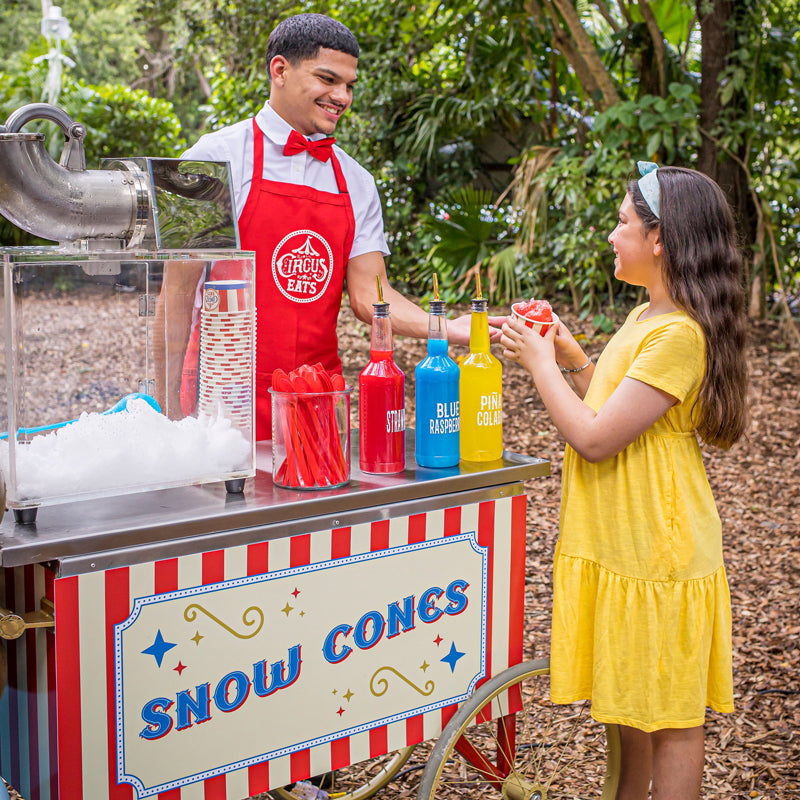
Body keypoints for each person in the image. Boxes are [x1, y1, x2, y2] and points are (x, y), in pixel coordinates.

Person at [500, 163, 747, 799]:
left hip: (658, 549)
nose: (612, 235)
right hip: (624, 541)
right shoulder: (645, 317)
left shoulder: (679, 334)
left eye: (622, 222)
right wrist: (569, 355)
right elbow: (609, 405)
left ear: (660, 239)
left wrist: (534, 363)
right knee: (634, 704)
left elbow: (594, 437)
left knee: (671, 719)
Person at [157, 13, 503, 439]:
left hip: (316, 398)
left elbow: (369, 296)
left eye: (350, 86)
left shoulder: (356, 180)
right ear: (279, 70)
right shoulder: (214, 158)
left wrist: (448, 329)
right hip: (222, 395)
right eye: (328, 79)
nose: (342, 96)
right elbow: (174, 295)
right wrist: (168, 415)